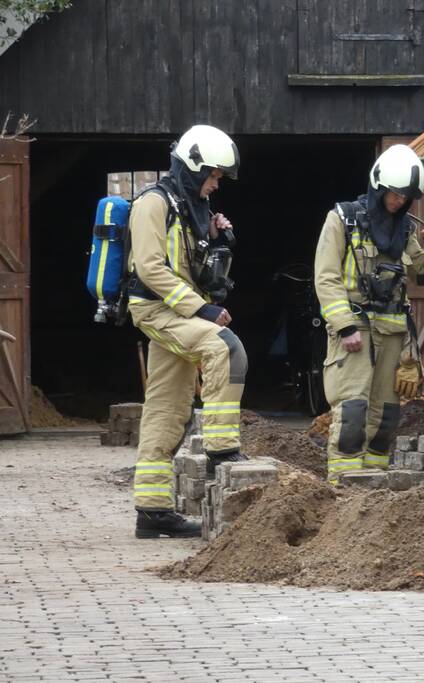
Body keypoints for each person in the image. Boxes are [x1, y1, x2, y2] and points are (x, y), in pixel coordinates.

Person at [128, 124, 248, 539]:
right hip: (156, 309)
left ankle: (152, 511)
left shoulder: (189, 208)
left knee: (167, 407)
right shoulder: (153, 204)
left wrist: (217, 240)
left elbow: (195, 268)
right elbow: (150, 267)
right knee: (225, 348)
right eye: (213, 176)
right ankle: (220, 449)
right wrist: (202, 308)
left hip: (176, 310)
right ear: (194, 167)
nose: (215, 185)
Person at [314, 144, 424, 482]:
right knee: (352, 413)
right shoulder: (341, 220)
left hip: (391, 334)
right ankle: (344, 489)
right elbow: (326, 277)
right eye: (394, 195)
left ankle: (373, 488)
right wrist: (345, 326)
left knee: (386, 417)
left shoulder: (404, 229)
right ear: (378, 187)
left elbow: (420, 272)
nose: (399, 202)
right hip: (355, 332)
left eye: (405, 197)